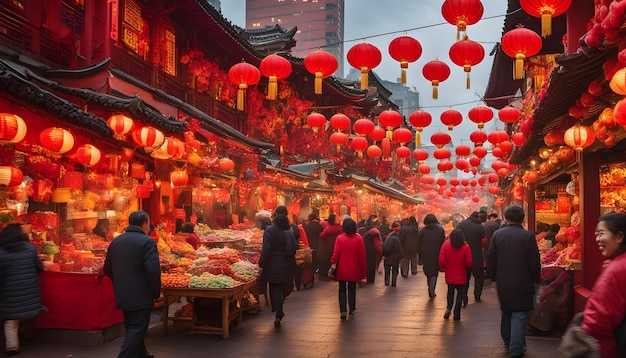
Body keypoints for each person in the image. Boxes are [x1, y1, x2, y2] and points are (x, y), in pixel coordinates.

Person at [104, 210, 161, 358]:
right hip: (141, 294)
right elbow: (153, 271)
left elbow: (108, 269)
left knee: (132, 326)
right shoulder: (147, 242)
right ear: (145, 224)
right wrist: (155, 293)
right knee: (137, 328)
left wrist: (121, 282)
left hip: (123, 292)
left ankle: (142, 353)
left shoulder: (116, 242)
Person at [487, 205, 541, 358]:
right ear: (523, 219)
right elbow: (534, 261)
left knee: (507, 311)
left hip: (503, 280)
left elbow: (491, 258)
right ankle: (516, 349)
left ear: (506, 217)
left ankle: (508, 341)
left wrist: (494, 278)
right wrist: (536, 279)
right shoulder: (528, 236)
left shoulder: (498, 235)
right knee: (519, 314)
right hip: (523, 281)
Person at [577, 213, 626, 357]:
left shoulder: (616, 269)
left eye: (601, 233)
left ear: (619, 237)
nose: (597, 239)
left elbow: (598, 319)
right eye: (596, 234)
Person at [0, 224, 46, 356]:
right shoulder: (30, 249)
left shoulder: (1, 253)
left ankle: (12, 346)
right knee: (21, 314)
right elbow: (40, 268)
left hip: (10, 293)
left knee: (10, 321)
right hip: (30, 293)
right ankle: (26, 333)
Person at [258, 213, 297, 327]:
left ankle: (277, 310)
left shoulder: (269, 230)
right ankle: (278, 312)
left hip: (271, 263)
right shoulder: (288, 233)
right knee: (280, 288)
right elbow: (292, 248)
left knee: (273, 287)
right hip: (284, 263)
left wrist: (261, 263)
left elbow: (266, 248)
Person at [330, 218, 367, 319]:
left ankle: (343, 310)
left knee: (342, 289)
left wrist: (333, 263)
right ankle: (351, 307)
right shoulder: (359, 239)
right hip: (354, 269)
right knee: (352, 288)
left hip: (342, 269)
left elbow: (336, 253)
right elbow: (362, 257)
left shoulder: (340, 238)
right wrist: (363, 274)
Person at [438, 229, 472, 321]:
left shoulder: (446, 244)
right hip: (461, 274)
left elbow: (441, 260)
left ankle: (449, 308)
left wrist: (444, 267)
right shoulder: (466, 247)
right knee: (460, 293)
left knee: (450, 292)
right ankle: (457, 312)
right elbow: (469, 263)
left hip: (449, 273)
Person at [457, 211, 486, 304]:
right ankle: (477, 294)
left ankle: (464, 295)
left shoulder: (462, 224)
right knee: (479, 276)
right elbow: (484, 241)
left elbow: (456, 238)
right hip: (477, 254)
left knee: (465, 276)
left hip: (464, 254)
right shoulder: (481, 226)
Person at [417, 214, 446, 298]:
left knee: (428, 272)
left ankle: (430, 286)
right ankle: (432, 288)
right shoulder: (440, 230)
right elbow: (443, 242)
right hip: (437, 254)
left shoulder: (422, 231)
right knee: (434, 272)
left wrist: (420, 254)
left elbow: (419, 244)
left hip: (425, 254)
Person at [317, 214, 342, 280]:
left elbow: (322, 236)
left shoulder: (328, 229)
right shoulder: (341, 228)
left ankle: (328, 274)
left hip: (327, 249)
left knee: (328, 262)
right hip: (337, 248)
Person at [360, 218, 383, 283]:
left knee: (364, 264)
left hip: (363, 250)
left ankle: (363, 276)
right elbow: (377, 244)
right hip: (372, 251)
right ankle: (371, 279)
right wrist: (380, 251)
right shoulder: (375, 232)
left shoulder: (362, 231)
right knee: (371, 265)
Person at [382, 221, 404, 287]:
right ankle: (394, 282)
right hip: (395, 258)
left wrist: (384, 255)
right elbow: (399, 249)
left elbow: (384, 247)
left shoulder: (387, 238)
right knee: (395, 270)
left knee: (387, 270)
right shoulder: (397, 239)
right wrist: (401, 257)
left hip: (388, 257)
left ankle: (387, 281)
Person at [483, 213, 501, 279]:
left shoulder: (483, 225)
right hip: (494, 244)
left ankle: (488, 274)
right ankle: (492, 274)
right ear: (492, 217)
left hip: (485, 245)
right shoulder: (496, 225)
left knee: (487, 259)